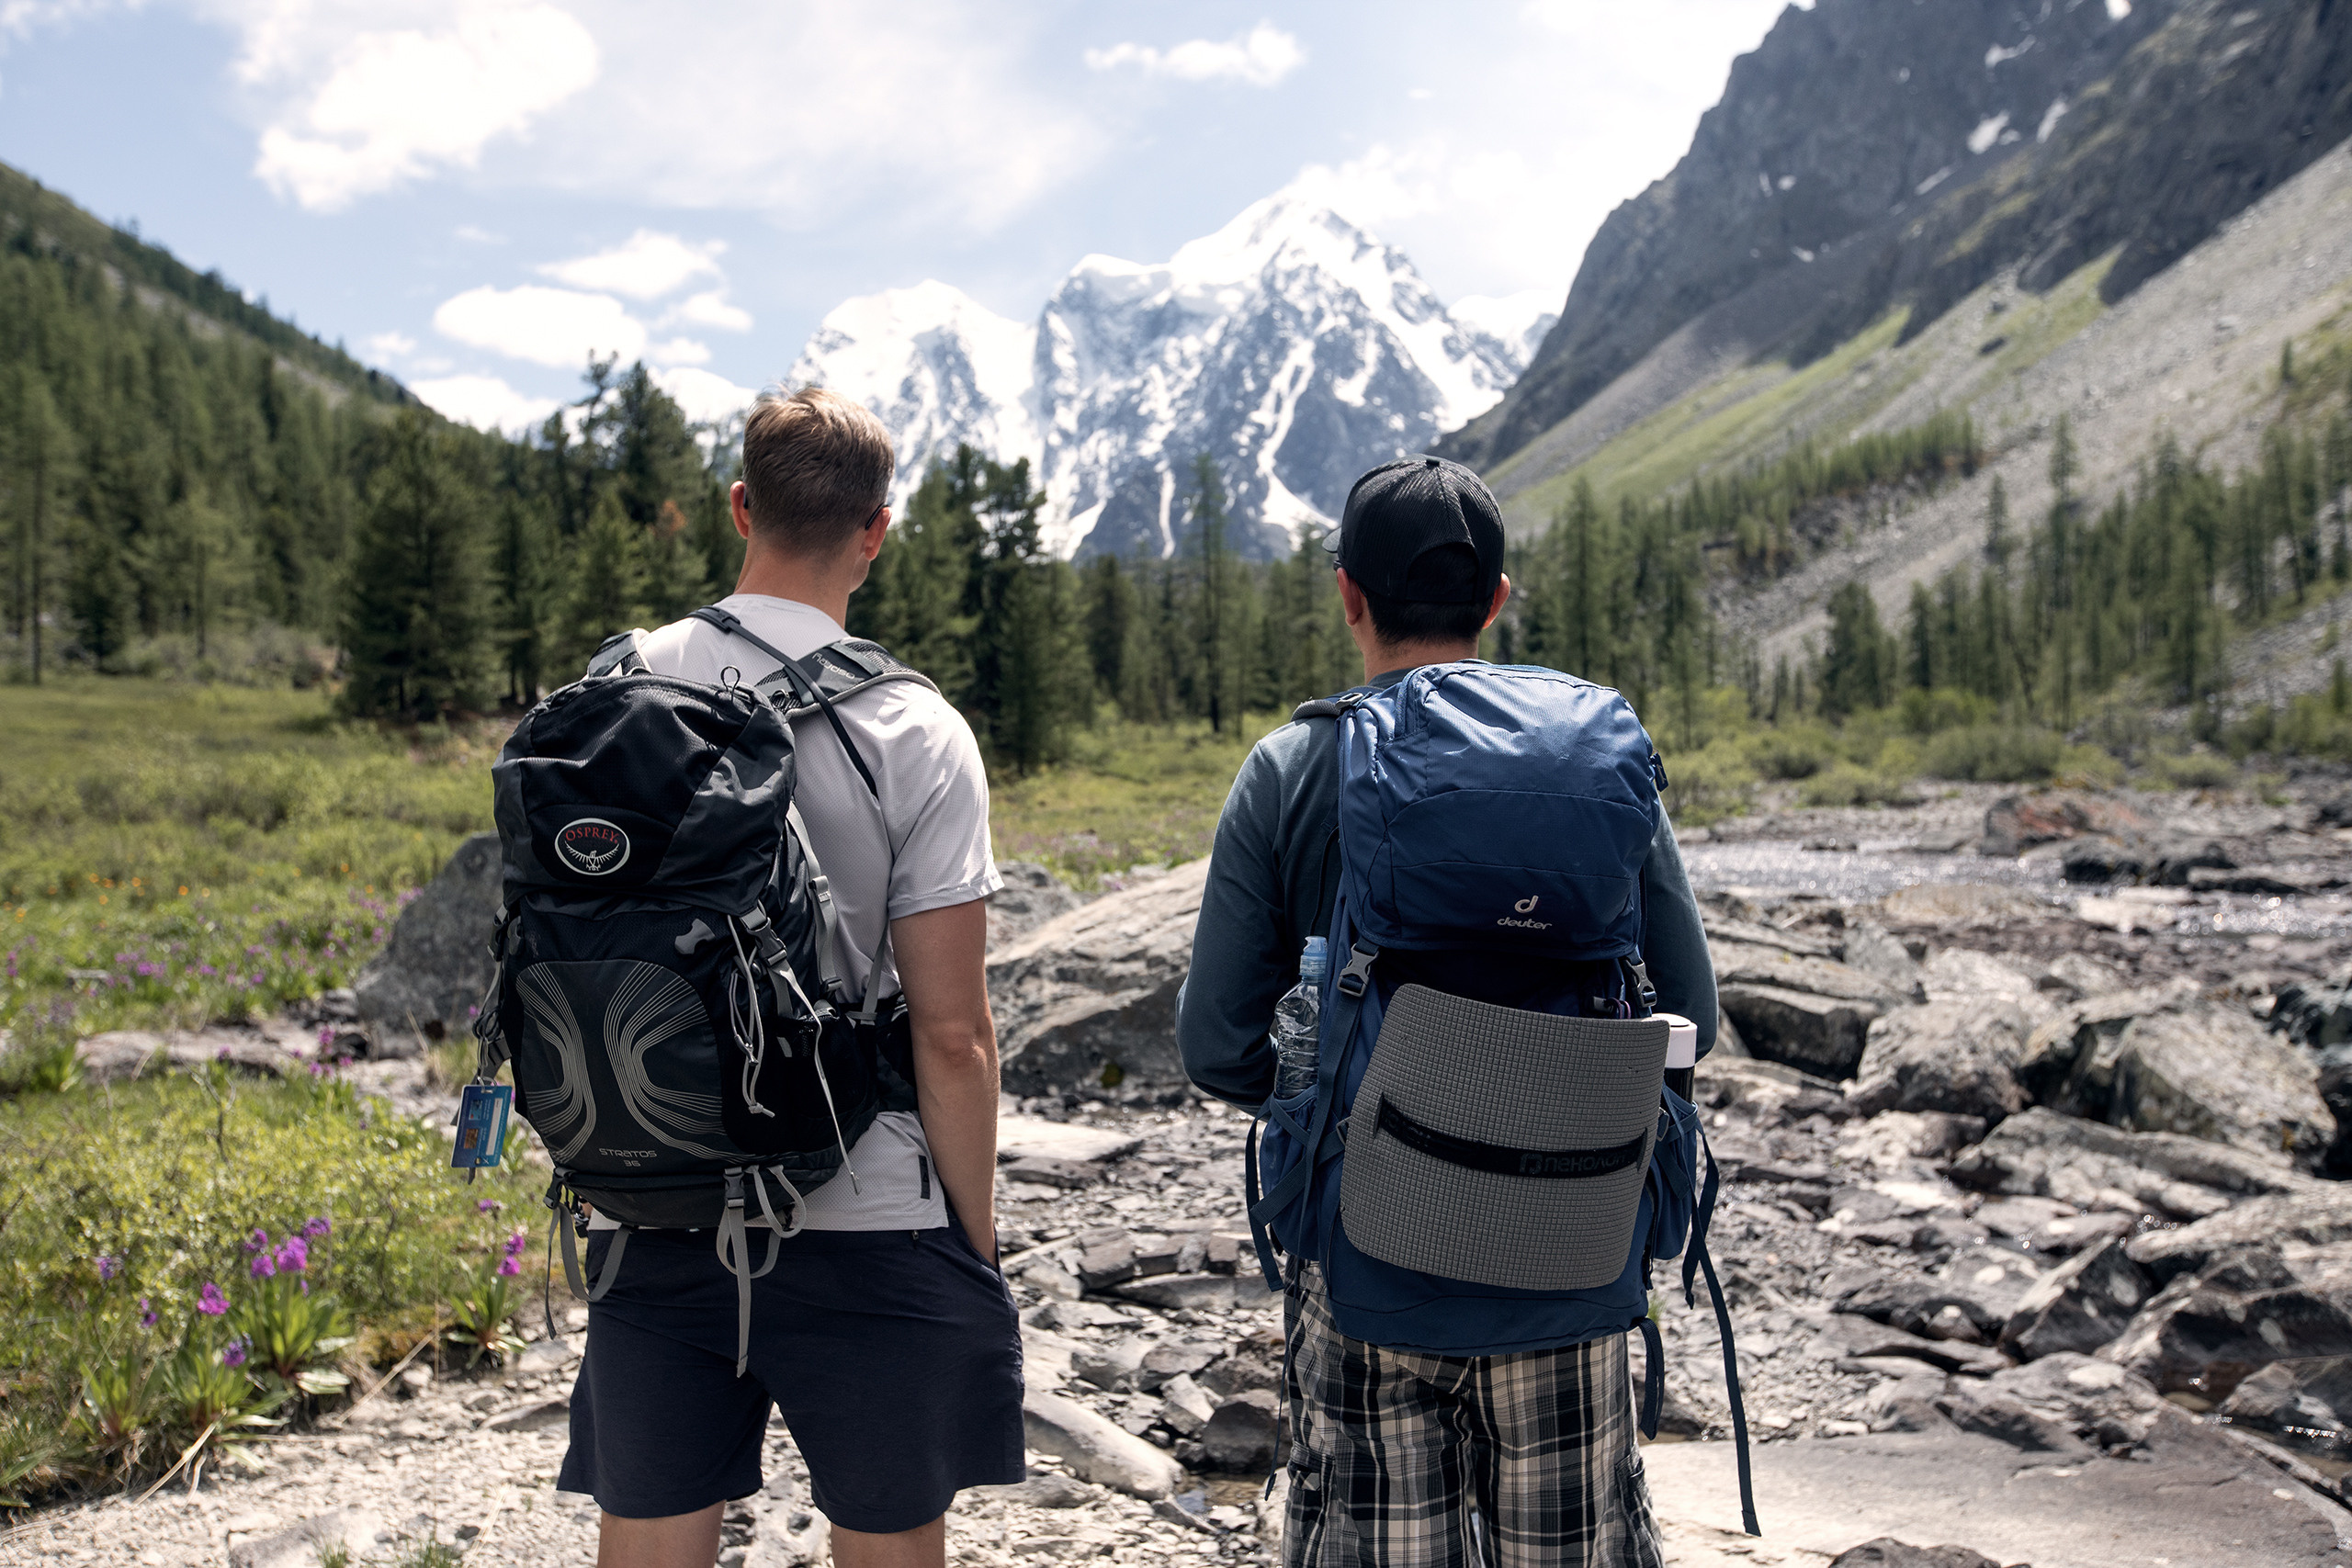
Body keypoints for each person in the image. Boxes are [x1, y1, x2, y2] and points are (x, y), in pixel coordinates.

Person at [1174, 455, 1717, 1568]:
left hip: (1363, 1270)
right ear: (1496, 600)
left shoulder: (1291, 768)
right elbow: (1689, 1019)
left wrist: (1341, 1099)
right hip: (1573, 1257)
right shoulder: (1594, 765)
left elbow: (1217, 1046)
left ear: (1348, 594)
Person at [556, 388, 1023, 1568]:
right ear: (876, 530)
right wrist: (972, 1242)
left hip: (649, 1200)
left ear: (738, 508)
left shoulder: (610, 687)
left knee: (647, 1544)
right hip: (868, 1208)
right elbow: (954, 1035)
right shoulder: (914, 728)